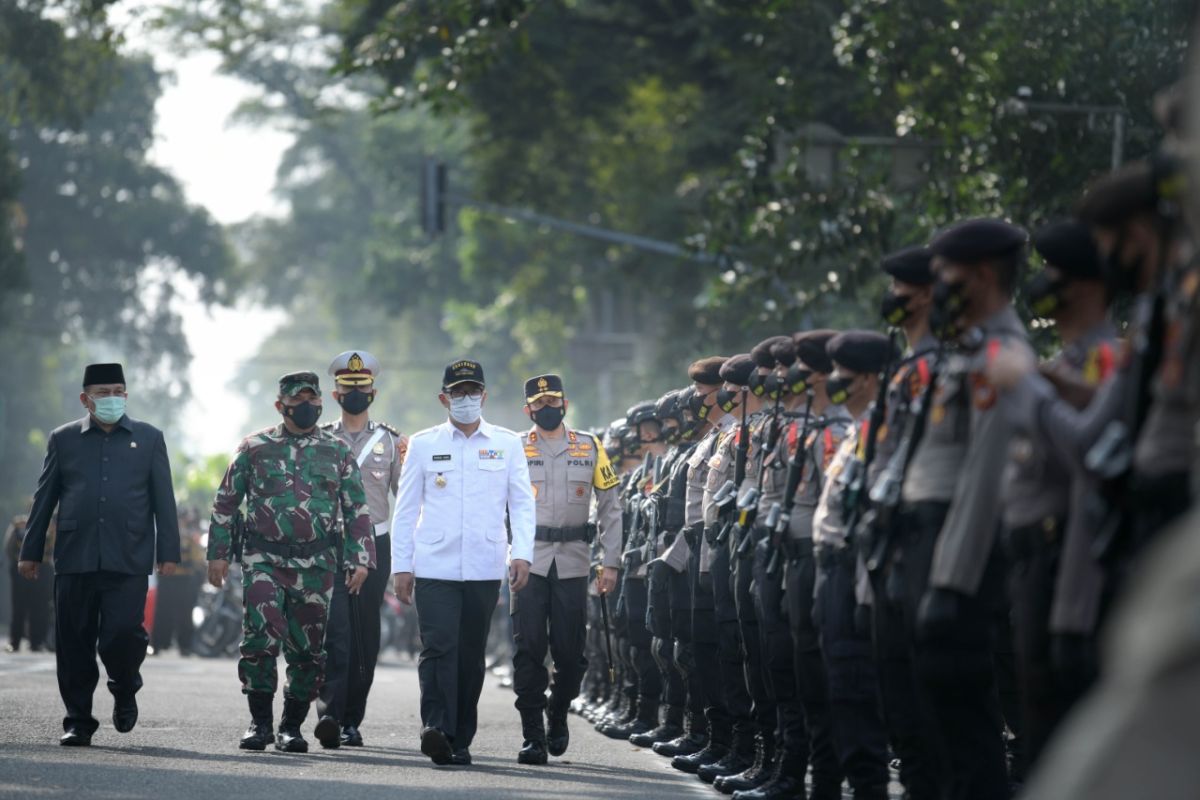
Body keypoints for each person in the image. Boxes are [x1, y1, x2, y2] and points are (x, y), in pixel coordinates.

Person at [901, 218, 1032, 800]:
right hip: (933, 541)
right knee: (933, 708)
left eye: (948, 272)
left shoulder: (1001, 354)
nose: (940, 284)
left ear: (980, 274)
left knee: (964, 708)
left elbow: (983, 477)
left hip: (963, 553)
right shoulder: (967, 351)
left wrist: (951, 581)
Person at [207, 371, 375, 753]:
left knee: (308, 650)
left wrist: (360, 558)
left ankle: (290, 727)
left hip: (317, 564)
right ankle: (260, 723)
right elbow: (226, 503)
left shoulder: (338, 450)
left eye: (312, 400)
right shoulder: (254, 447)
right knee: (260, 639)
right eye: (297, 401)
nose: (306, 407)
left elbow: (356, 510)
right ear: (280, 406)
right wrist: (218, 555)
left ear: (320, 402)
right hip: (263, 559)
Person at [18, 362, 180, 746]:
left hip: (129, 556)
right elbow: (45, 499)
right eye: (103, 392)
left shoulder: (149, 438)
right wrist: (31, 550)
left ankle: (124, 686)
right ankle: (78, 719)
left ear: (126, 395)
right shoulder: (64, 439)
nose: (112, 399)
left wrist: (168, 551)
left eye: (118, 391)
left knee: (122, 633)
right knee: (74, 639)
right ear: (85, 399)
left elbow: (164, 501)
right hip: (75, 555)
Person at [391, 359, 535, 766]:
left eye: (473, 391)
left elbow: (522, 504)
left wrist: (521, 552)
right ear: (444, 398)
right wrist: (402, 565)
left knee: (471, 654)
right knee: (438, 648)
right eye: (458, 392)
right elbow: (405, 511)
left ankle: (460, 737)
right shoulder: (423, 443)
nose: (466, 399)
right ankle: (435, 727)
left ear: (484, 396)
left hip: (485, 566)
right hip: (434, 564)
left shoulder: (507, 444)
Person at [512, 373, 622, 764]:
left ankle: (558, 711)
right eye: (538, 404)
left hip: (574, 561)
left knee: (571, 652)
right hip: (528, 561)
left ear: (565, 403)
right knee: (528, 649)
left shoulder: (591, 446)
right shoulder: (513, 448)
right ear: (528, 410)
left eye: (552, 401)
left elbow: (610, 505)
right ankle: (533, 736)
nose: (546, 409)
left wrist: (610, 561)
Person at [316, 350, 407, 748]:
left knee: (364, 632)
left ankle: (352, 718)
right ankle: (330, 714)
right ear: (336, 394)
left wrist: (408, 558)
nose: (355, 394)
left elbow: (405, 499)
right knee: (331, 630)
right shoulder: (320, 438)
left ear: (373, 392)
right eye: (348, 388)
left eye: (362, 388)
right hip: (329, 543)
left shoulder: (391, 442)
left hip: (376, 541)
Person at [151, 513, 205, 656]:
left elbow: (198, 559)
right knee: (163, 613)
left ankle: (185, 646)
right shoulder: (164, 534)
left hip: (184, 580)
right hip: (167, 578)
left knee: (185, 614)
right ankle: (157, 644)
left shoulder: (191, 537)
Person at [5, 514, 51, 652]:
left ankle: (36, 642)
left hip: (42, 570)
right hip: (21, 568)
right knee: (19, 607)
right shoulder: (19, 524)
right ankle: (15, 641)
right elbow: (9, 547)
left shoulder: (50, 524)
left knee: (39, 607)